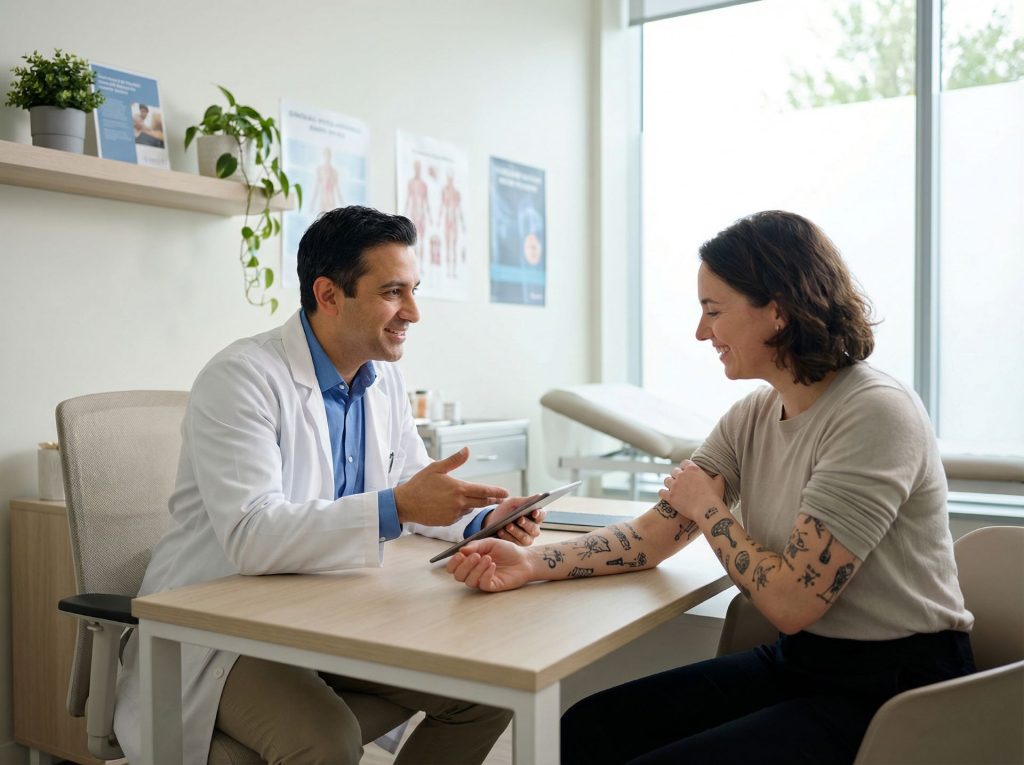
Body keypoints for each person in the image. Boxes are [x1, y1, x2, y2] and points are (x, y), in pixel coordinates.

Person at [447, 210, 976, 764]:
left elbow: (793, 603)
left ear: (776, 311)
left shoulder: (874, 415)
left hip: (900, 685)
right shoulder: (754, 413)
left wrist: (708, 508)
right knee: (588, 727)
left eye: (713, 311)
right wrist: (530, 564)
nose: (702, 332)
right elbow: (653, 537)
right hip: (806, 662)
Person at [114, 205, 545, 765]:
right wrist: (399, 504)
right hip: (227, 629)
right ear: (328, 293)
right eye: (393, 292)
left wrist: (482, 520)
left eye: (413, 290)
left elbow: (409, 486)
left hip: (331, 612)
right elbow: (251, 534)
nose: (412, 312)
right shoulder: (241, 378)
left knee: (489, 693)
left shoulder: (381, 375)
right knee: (329, 740)